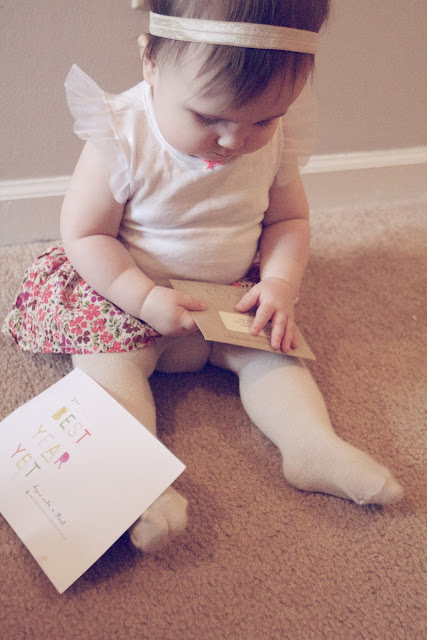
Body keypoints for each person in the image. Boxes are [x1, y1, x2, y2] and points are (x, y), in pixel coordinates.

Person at [3, 1, 403, 552]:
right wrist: (143, 297)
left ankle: (312, 447)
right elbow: (87, 235)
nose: (235, 141)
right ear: (151, 62)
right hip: (125, 297)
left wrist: (279, 285)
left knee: (275, 356)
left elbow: (288, 221)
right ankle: (137, 487)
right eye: (208, 118)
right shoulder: (122, 133)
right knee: (107, 378)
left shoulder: (275, 138)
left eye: (262, 120)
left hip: (228, 297)